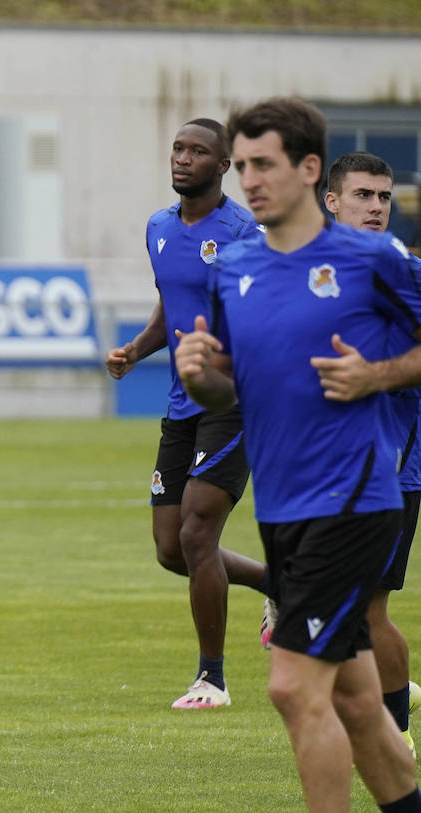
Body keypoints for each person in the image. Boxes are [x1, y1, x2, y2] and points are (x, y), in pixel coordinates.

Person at [176, 97, 421, 812]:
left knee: (291, 685)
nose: (248, 179)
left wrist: (376, 375)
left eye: (264, 164)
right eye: (243, 165)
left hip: (354, 500)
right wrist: (199, 375)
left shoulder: (373, 259)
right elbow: (233, 393)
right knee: (352, 695)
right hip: (282, 509)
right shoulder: (236, 268)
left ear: (309, 168)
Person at [104, 118, 269, 709]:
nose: (183, 159)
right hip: (182, 403)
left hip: (234, 400)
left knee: (200, 533)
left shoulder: (243, 233)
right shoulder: (158, 228)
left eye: (198, 152)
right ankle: (280, 585)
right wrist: (137, 350)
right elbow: (171, 302)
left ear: (223, 166)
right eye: (178, 148)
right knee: (171, 548)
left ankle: (213, 679)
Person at [323, 150, 421, 751]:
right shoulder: (315, 272)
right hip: (334, 467)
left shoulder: (403, 272)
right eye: (364, 195)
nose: (377, 207)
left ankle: (397, 734)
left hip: (394, 467)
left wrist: (374, 375)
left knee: (366, 608)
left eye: (384, 197)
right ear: (331, 200)